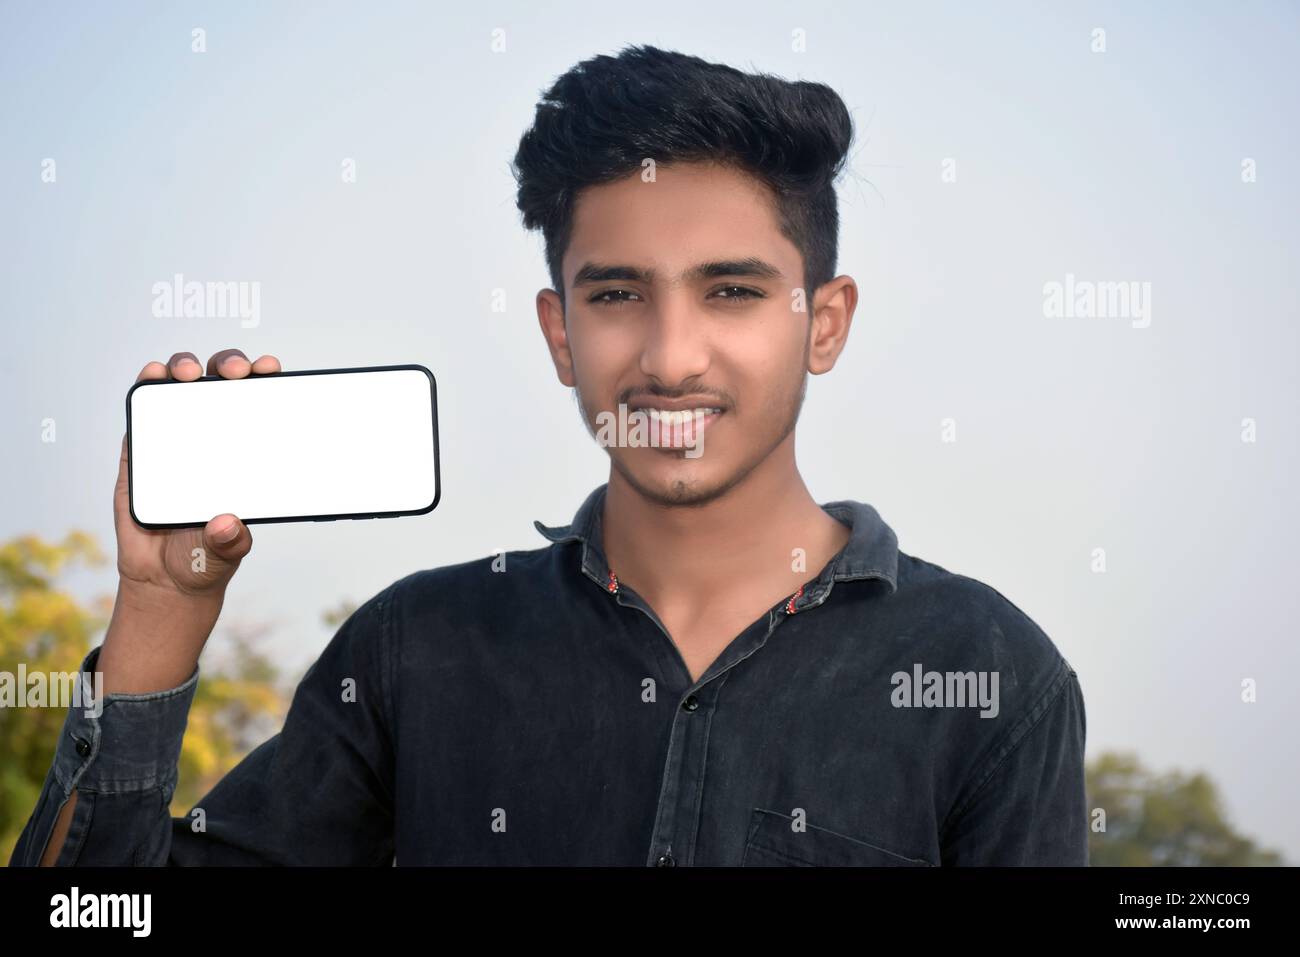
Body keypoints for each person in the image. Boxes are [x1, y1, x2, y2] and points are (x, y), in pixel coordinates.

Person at [12, 44, 1086, 867]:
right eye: (616, 294)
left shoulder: (992, 677)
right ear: (559, 330)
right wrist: (159, 613)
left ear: (825, 321)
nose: (670, 357)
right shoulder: (414, 650)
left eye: (732, 290)